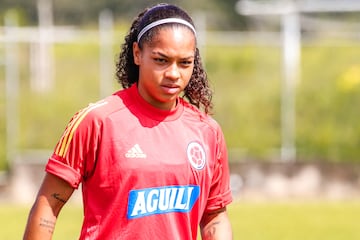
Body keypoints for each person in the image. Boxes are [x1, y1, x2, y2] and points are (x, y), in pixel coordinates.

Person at [23, 3, 232, 240]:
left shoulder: (207, 132)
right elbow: (48, 206)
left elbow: (214, 216)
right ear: (137, 54)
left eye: (185, 63)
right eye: (161, 60)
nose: (174, 73)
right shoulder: (97, 121)